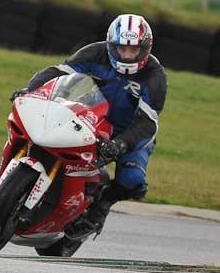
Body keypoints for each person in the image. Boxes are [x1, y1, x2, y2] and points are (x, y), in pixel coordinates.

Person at [11, 13, 167, 238]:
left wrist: (121, 144)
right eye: (121, 49)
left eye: (134, 50)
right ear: (111, 44)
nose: (127, 55)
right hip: (92, 115)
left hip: (130, 132)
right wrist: (31, 90)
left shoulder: (155, 76)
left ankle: (101, 206)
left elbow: (148, 124)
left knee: (133, 181)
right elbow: (58, 72)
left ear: (146, 49)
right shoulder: (95, 52)